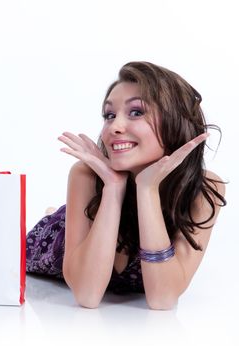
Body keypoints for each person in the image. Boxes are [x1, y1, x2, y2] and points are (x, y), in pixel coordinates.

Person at [26, 61, 226, 310]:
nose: (115, 127)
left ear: (175, 122)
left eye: (136, 112)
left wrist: (147, 189)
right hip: (59, 237)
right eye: (109, 115)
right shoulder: (86, 175)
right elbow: (87, 296)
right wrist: (112, 186)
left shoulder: (205, 189)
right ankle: (55, 214)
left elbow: (163, 300)